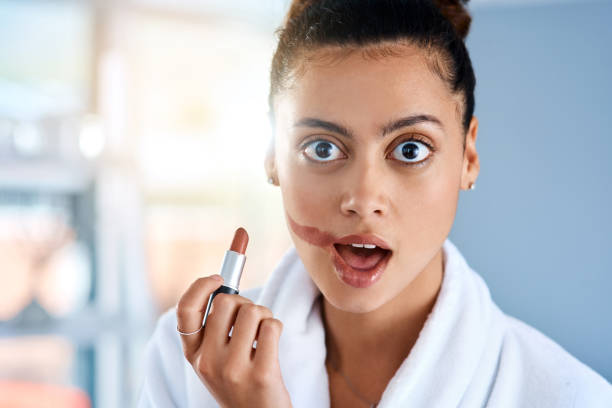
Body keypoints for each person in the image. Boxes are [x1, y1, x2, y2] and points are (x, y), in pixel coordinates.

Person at [137, 0, 612, 407]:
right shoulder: (185, 364)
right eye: (321, 148)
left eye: (410, 149)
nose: (363, 200)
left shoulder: (570, 397)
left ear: (467, 157)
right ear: (272, 156)